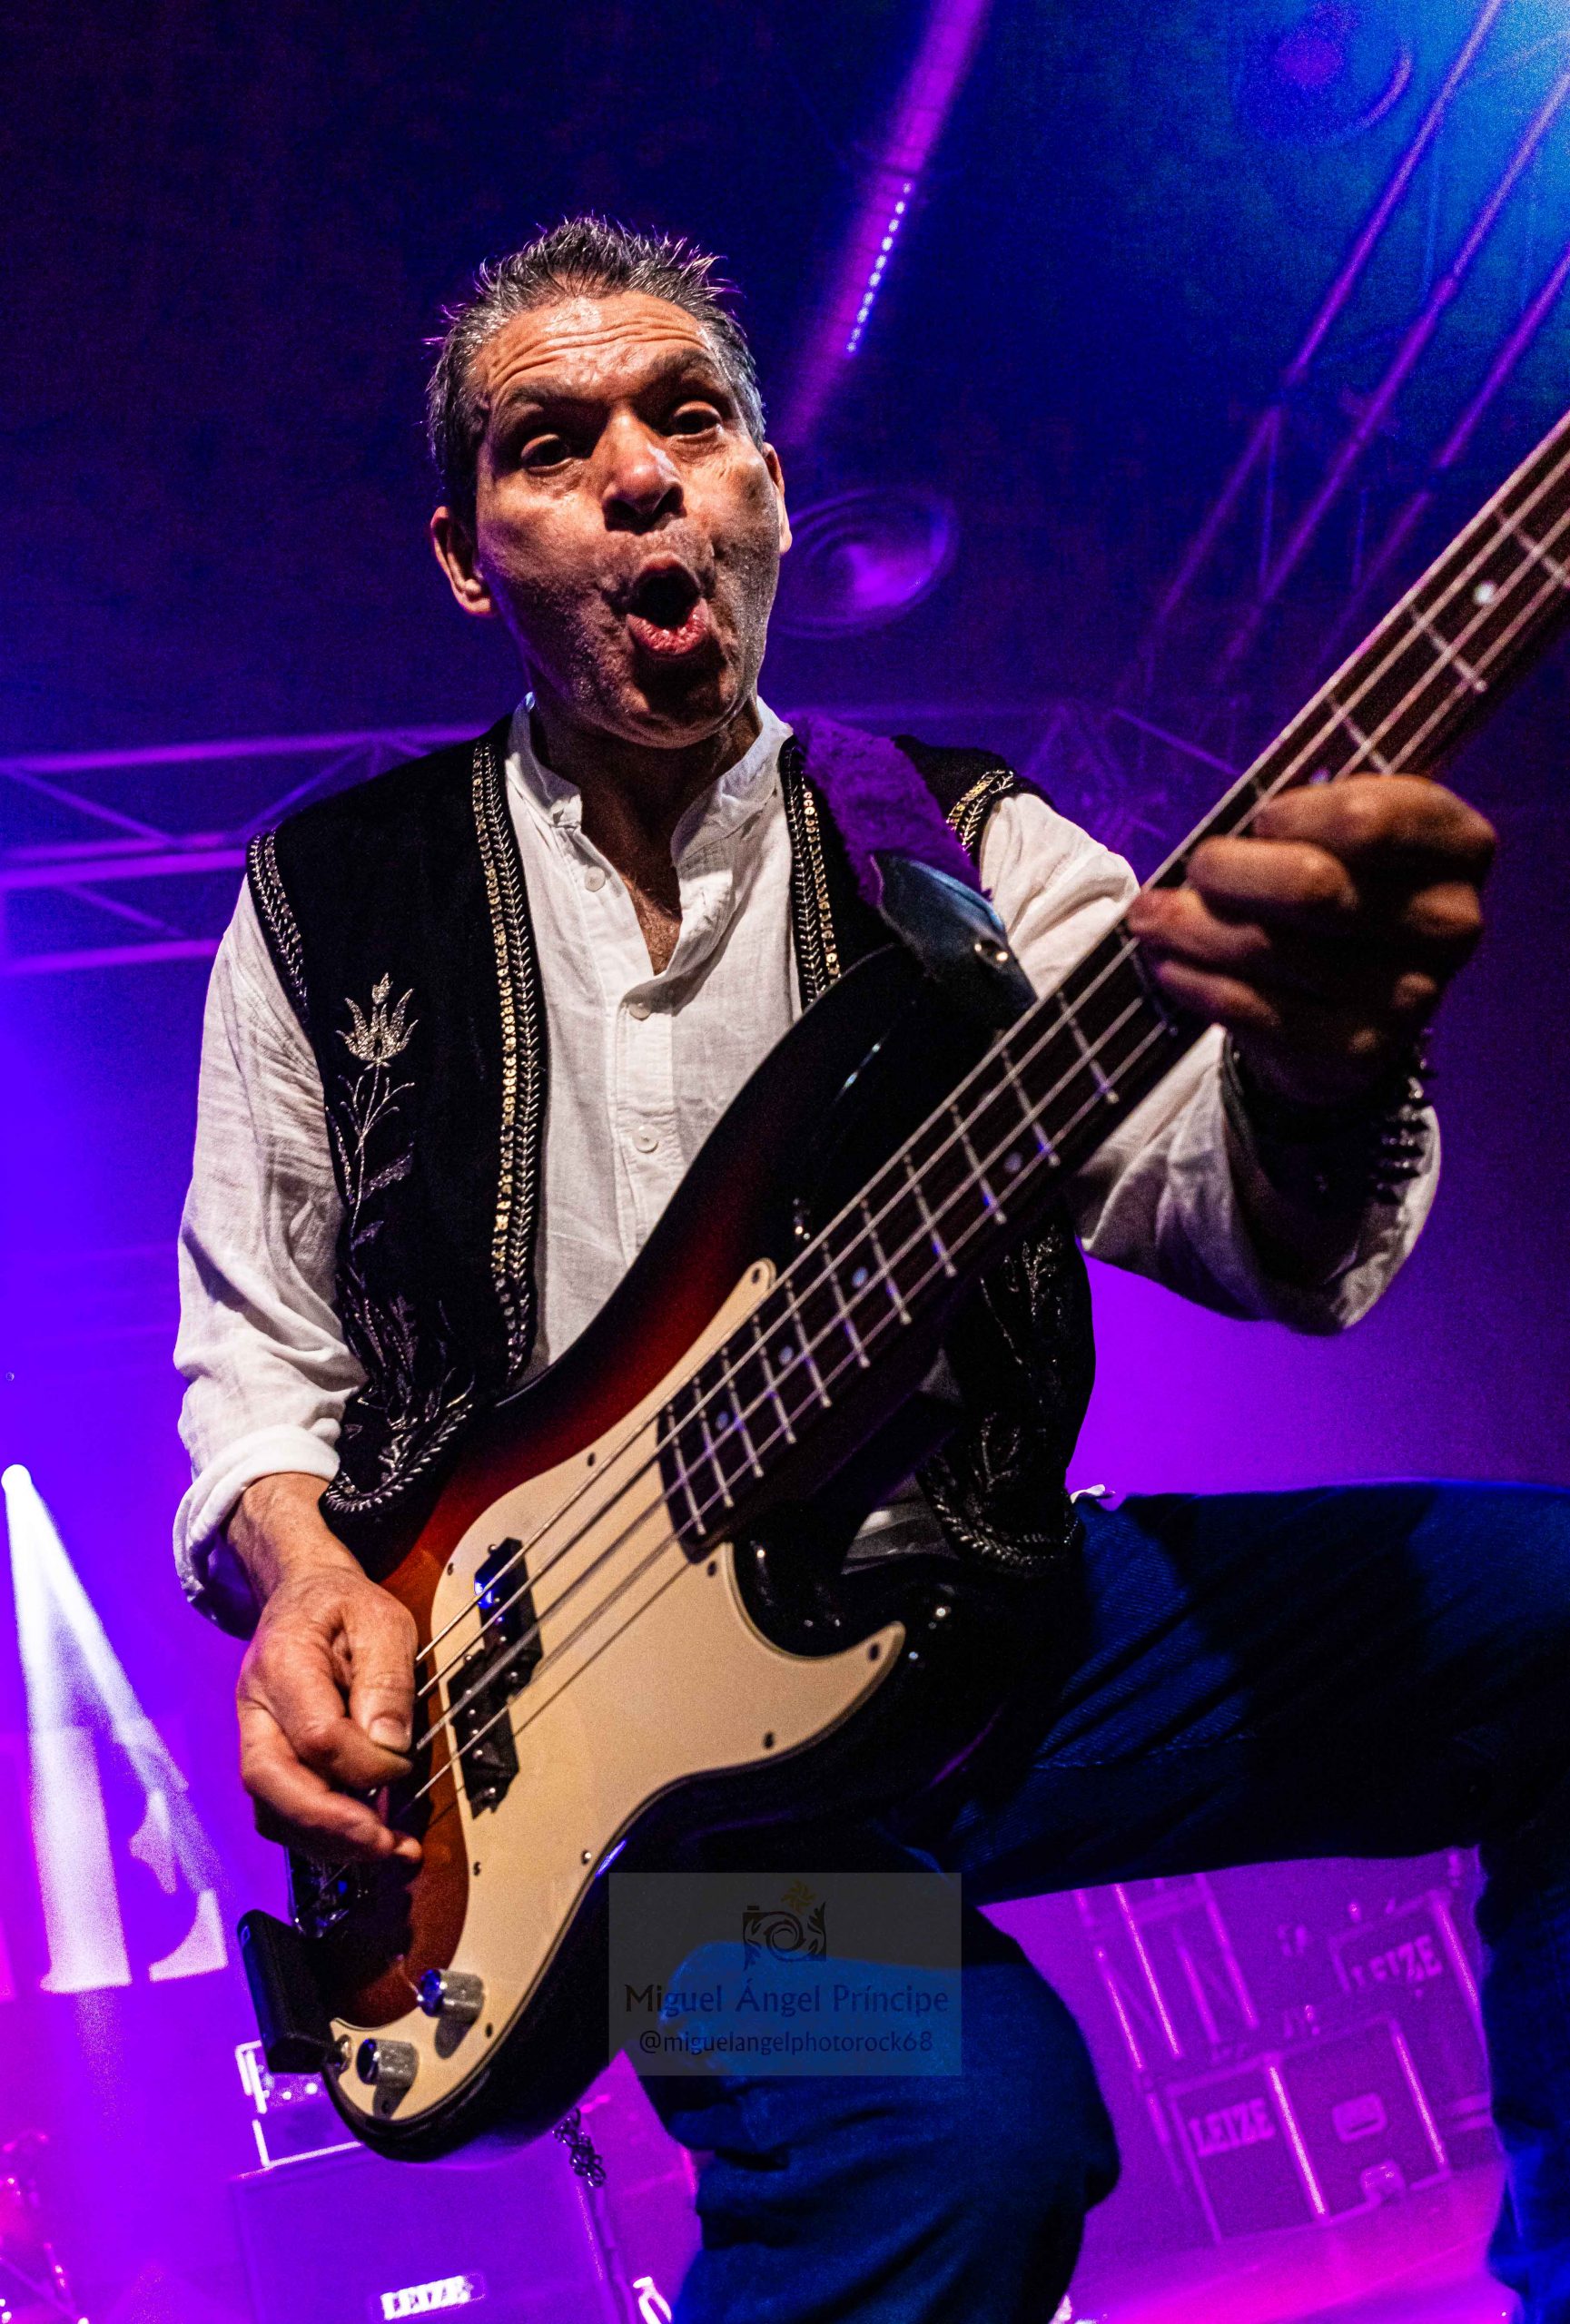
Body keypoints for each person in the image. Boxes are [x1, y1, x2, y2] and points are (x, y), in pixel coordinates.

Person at [174, 219, 1570, 2322]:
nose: (638, 472)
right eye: (552, 443)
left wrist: (1316, 1062)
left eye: (691, 418)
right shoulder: (331, 898)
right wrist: (303, 1572)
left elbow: (1243, 1222)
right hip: (647, 1832)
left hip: (1005, 1634)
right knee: (960, 2129)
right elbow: (258, 1363)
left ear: (765, 490)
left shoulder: (957, 841)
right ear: (467, 554)